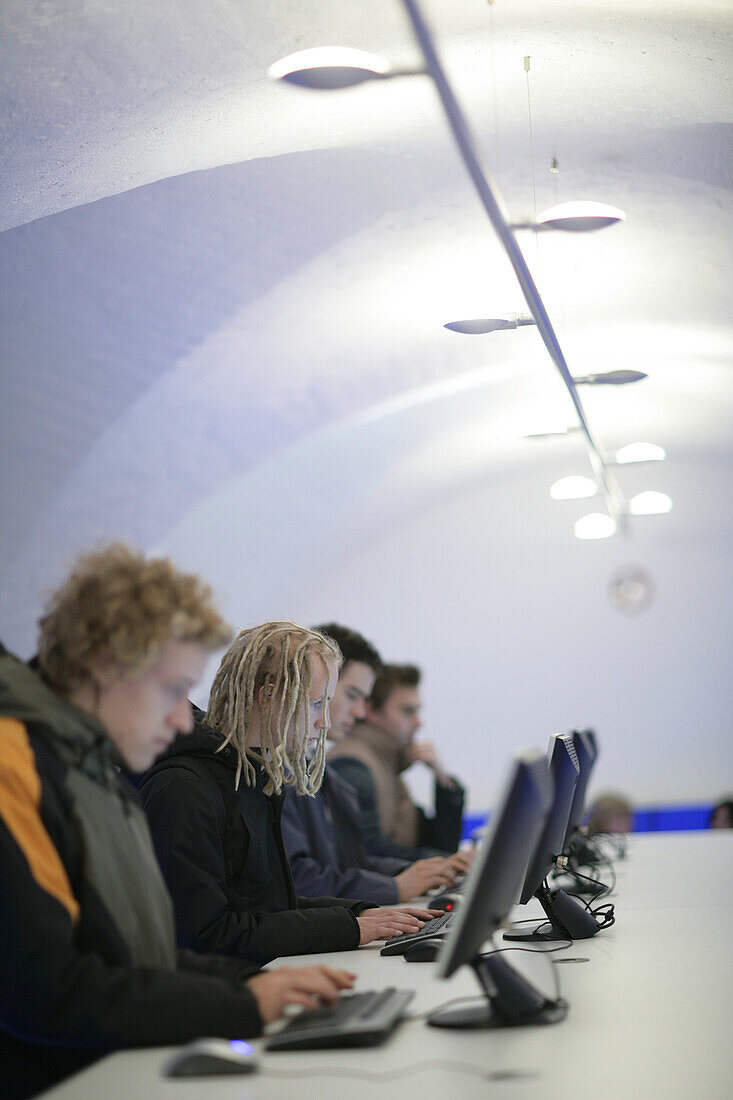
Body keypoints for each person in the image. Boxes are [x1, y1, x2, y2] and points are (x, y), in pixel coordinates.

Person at [0, 546, 355, 1099]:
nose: (180, 718)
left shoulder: (95, 772)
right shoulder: (15, 766)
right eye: (170, 690)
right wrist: (241, 1003)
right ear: (104, 665)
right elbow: (48, 990)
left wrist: (255, 983)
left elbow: (140, 953)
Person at [139, 622, 436, 966]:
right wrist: (348, 927)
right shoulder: (184, 789)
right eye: (314, 705)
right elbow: (208, 935)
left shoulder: (250, 774)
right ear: (268, 697)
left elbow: (273, 906)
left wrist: (362, 913)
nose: (323, 722)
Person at [281, 624, 457, 904]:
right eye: (352, 695)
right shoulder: (350, 765)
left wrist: (430, 868)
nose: (360, 711)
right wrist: (398, 885)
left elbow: (351, 859)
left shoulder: (323, 764)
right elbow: (300, 878)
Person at [329, 662, 467, 862]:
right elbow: (367, 852)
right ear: (372, 711)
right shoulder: (352, 765)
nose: (419, 722)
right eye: (407, 711)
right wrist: (441, 863)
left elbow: (439, 843)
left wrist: (442, 777)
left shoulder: (387, 762)